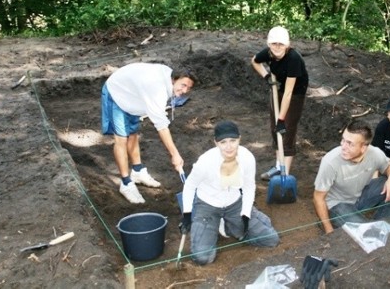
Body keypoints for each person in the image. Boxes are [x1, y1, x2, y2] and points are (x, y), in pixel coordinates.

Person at [179, 120, 280, 265]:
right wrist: (187, 215)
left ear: (239, 139)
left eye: (233, 140)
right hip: (207, 205)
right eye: (223, 142)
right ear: (216, 143)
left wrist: (245, 213)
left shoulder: (247, 158)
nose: (229, 146)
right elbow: (189, 185)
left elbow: (249, 186)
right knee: (202, 258)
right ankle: (213, 226)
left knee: (271, 240)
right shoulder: (205, 162)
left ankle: (231, 224)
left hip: (234, 203)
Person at [101, 63, 197, 204]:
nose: (185, 90)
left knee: (133, 134)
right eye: (183, 85)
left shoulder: (168, 79)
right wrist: (175, 155)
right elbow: (161, 126)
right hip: (117, 93)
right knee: (121, 139)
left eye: (188, 88)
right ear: (174, 79)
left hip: (134, 96)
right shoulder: (156, 89)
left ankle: (138, 171)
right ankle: (126, 183)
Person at [313, 120, 390, 234]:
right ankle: (332, 222)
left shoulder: (374, 153)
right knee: (368, 232)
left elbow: (388, 165)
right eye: (343, 140)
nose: (343, 146)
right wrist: (329, 230)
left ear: (364, 148)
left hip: (361, 197)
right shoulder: (330, 162)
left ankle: (387, 223)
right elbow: (318, 198)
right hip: (337, 206)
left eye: (350, 143)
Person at [251, 26, 309, 180]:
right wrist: (266, 77)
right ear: (269, 43)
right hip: (277, 87)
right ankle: (278, 166)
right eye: (274, 43)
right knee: (274, 128)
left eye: (281, 44)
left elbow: (289, 93)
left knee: (286, 129)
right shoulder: (268, 53)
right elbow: (254, 61)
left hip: (295, 92)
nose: (277, 47)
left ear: (287, 45)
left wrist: (282, 119)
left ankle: (285, 172)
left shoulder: (293, 59)